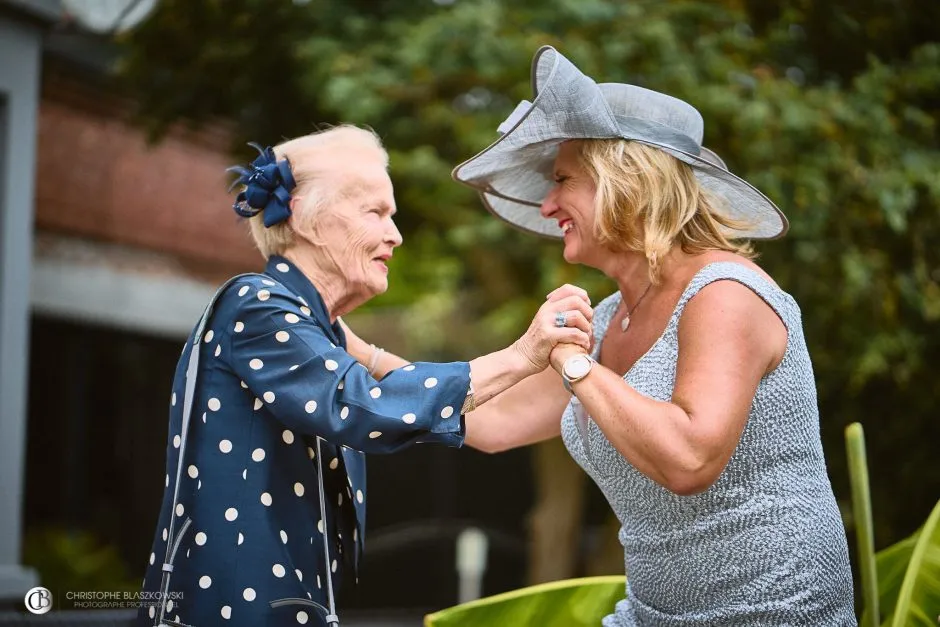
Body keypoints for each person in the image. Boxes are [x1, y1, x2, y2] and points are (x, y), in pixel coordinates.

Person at [346, 48, 857, 625]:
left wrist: (572, 362)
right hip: (651, 612)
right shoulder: (608, 317)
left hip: (771, 609)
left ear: (627, 183)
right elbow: (492, 422)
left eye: (563, 180)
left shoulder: (725, 293)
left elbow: (689, 459)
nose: (547, 203)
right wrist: (358, 352)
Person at [135, 125, 593, 627]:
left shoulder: (305, 327)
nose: (395, 234)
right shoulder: (256, 305)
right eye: (376, 212)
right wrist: (524, 354)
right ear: (308, 218)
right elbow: (364, 406)